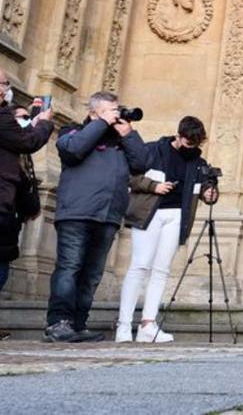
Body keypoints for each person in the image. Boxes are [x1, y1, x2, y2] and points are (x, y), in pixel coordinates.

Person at [46, 92, 148, 342]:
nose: (115, 115)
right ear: (93, 113)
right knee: (70, 268)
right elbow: (73, 151)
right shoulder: (72, 131)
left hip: (108, 215)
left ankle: (78, 324)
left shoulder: (120, 141)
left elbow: (143, 163)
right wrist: (100, 124)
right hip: (77, 213)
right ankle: (58, 323)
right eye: (109, 111)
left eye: (117, 110)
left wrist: (129, 135)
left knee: (92, 275)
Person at [116, 116, 217, 343]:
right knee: (140, 265)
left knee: (161, 270)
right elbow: (131, 177)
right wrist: (155, 186)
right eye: (189, 143)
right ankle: (123, 325)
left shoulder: (198, 162)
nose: (192, 148)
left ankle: (148, 324)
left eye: (197, 145)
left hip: (177, 217)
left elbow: (203, 188)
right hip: (150, 213)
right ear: (179, 136)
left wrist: (209, 194)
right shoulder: (154, 150)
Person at [1, 73, 54, 307]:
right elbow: (27, 142)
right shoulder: (3, 117)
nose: (6, 88)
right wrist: (43, 123)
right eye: (4, 84)